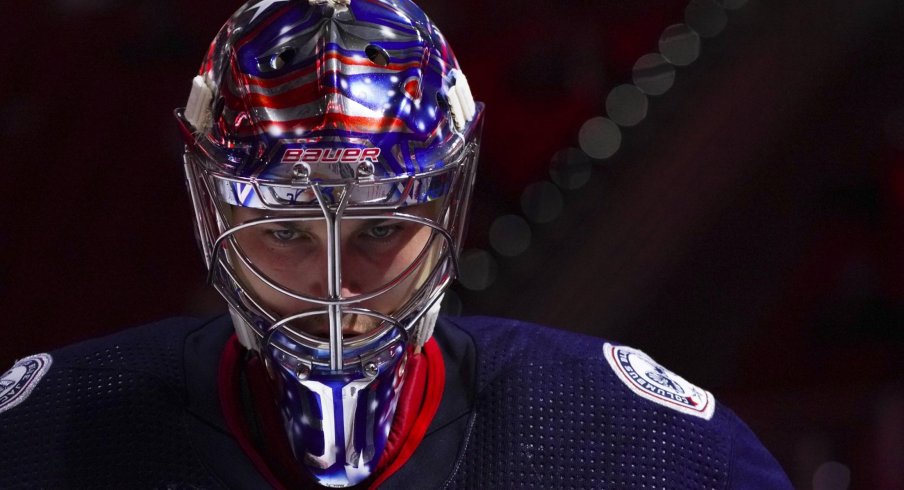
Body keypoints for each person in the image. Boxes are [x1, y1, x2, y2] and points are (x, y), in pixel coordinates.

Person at [0, 0, 793, 488]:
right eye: (284, 229)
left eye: (380, 225)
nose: (337, 288)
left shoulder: (639, 446)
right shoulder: (41, 439)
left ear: (449, 203)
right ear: (211, 211)